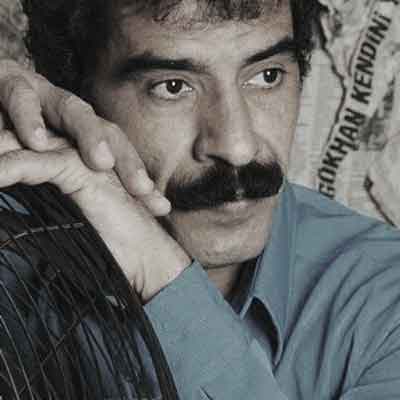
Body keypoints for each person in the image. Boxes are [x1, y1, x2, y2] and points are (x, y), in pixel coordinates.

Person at [0, 0, 399, 399]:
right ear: (74, 95)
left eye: (268, 76)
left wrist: (159, 274)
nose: (237, 147)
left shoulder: (385, 307)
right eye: (173, 87)